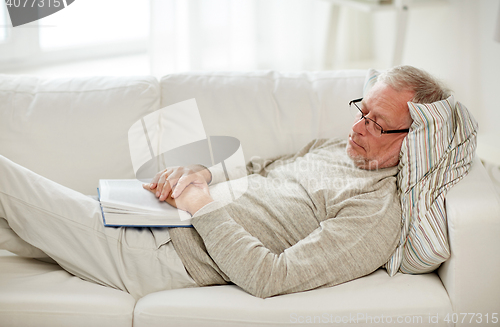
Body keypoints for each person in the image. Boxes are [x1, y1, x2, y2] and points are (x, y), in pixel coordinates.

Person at [0, 65, 451, 299]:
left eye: (377, 124)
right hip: (158, 216)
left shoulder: (374, 212)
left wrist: (202, 205)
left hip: (163, 253)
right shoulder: (340, 150)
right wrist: (202, 175)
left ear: (414, 140)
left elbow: (272, 277)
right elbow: (260, 169)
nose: (357, 127)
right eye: (362, 110)